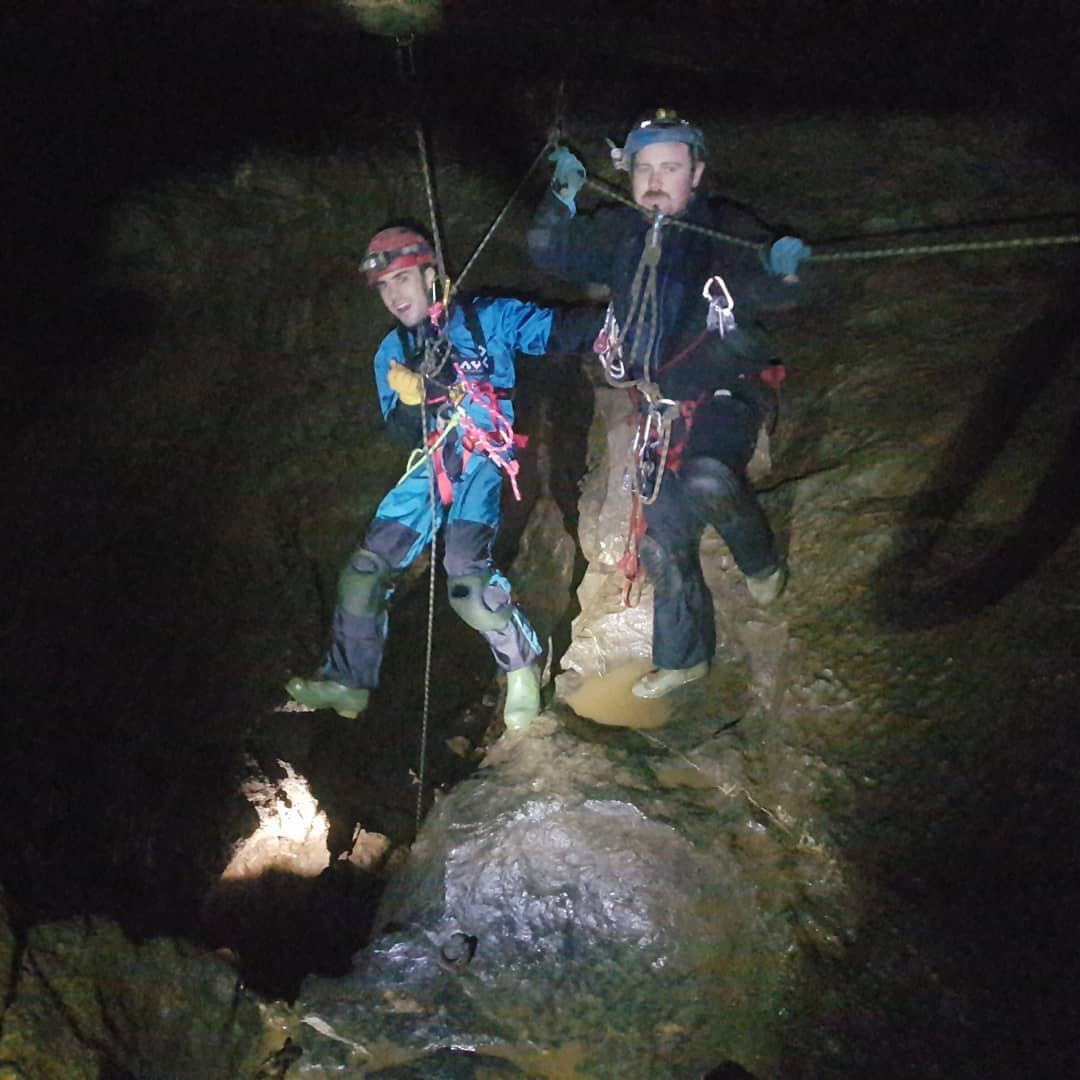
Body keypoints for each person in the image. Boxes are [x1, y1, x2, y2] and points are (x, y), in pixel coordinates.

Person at [528, 109, 810, 700]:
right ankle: (684, 659)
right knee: (661, 542)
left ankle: (761, 563)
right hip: (660, 408)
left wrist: (784, 272)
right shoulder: (621, 234)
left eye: (671, 168)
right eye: (645, 169)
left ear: (696, 174)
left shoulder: (721, 229)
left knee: (708, 475)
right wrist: (561, 196)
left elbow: (765, 281)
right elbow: (552, 251)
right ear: (629, 175)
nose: (656, 181)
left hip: (728, 388)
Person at [286, 225, 596, 730]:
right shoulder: (392, 351)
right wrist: (413, 401)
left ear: (431, 274)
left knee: (467, 582)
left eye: (403, 279)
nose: (394, 295)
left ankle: (522, 668)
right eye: (384, 287)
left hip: (486, 459)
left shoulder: (485, 318)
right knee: (364, 573)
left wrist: (623, 324)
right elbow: (399, 431)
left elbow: (556, 329)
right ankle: (348, 679)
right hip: (432, 463)